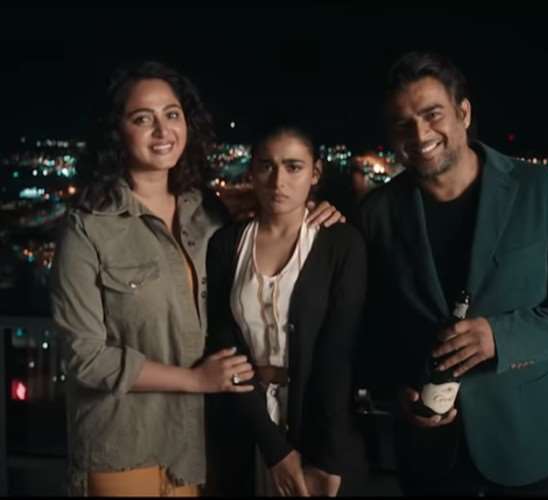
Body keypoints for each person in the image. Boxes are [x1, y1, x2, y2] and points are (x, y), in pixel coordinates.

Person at [49, 61, 343, 497]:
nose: (162, 130)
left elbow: (235, 298)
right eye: (142, 118)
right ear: (116, 132)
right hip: (124, 443)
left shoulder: (207, 214)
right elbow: (85, 358)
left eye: (172, 114)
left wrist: (314, 215)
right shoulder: (87, 228)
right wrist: (195, 381)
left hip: (200, 445)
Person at [357, 51, 548, 497]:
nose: (419, 134)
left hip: (529, 444)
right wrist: (394, 389)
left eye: (432, 114)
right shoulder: (376, 213)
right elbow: (370, 325)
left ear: (463, 113)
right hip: (428, 454)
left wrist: (501, 338)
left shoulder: (541, 190)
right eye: (403, 123)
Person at [205, 120, 367, 497]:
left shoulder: (340, 243)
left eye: (294, 167)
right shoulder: (225, 245)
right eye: (267, 166)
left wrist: (329, 459)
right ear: (252, 170)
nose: (278, 181)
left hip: (318, 432)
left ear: (315, 173)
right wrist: (274, 448)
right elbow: (225, 346)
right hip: (245, 425)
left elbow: (338, 356)